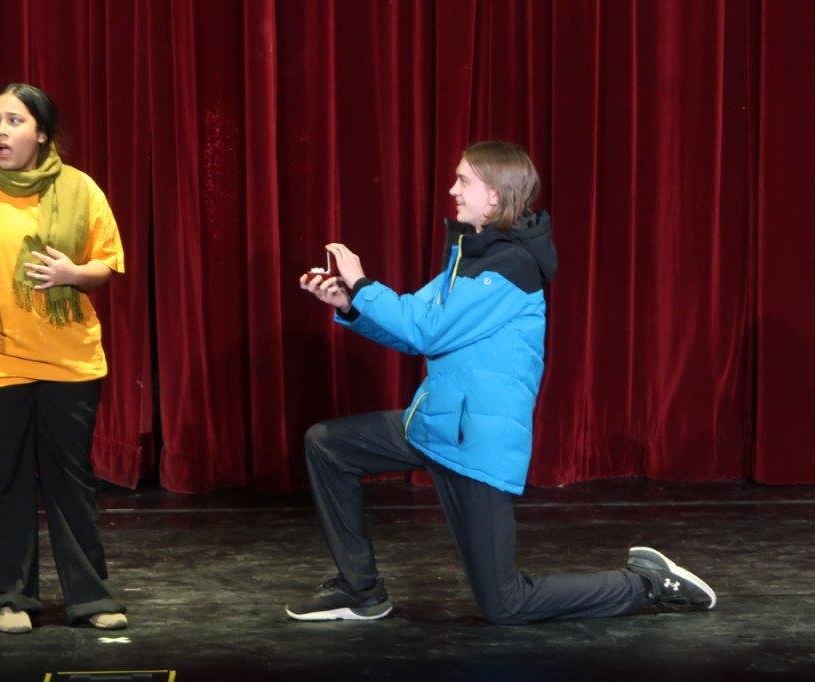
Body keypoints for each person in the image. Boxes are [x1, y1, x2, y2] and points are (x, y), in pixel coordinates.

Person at [288, 140, 715, 623]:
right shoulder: (470, 256)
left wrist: (363, 284)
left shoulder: (511, 268)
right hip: (437, 424)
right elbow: (417, 332)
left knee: (505, 604)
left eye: (463, 181)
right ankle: (359, 590)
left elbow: (424, 329)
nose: (452, 189)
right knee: (327, 445)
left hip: (475, 445)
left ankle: (648, 584)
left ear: (495, 196)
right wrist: (349, 305)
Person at [0, 83, 127, 634]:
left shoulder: (81, 190)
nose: (1, 132)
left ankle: (90, 597)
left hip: (68, 362)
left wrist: (71, 275)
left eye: (14, 121)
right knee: (1, 484)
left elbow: (106, 266)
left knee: (71, 482)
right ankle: (10, 599)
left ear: (42, 132)